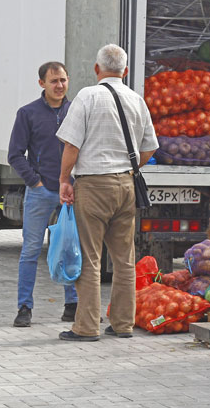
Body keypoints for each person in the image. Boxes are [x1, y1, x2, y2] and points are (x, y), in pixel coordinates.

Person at [56, 44, 158, 341]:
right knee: (124, 259)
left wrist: (64, 179)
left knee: (90, 257)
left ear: (96, 68)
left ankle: (86, 326)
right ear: (125, 71)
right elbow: (149, 147)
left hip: (93, 185)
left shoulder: (87, 96)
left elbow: (71, 145)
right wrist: (127, 168)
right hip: (126, 185)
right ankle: (123, 323)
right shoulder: (136, 100)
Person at [7, 61, 79, 327]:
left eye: (63, 80)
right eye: (53, 81)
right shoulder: (28, 113)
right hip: (41, 192)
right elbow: (15, 154)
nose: (59, 85)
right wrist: (34, 182)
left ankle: (72, 305)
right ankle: (24, 307)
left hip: (70, 193)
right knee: (30, 251)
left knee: (70, 249)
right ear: (42, 84)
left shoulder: (77, 111)